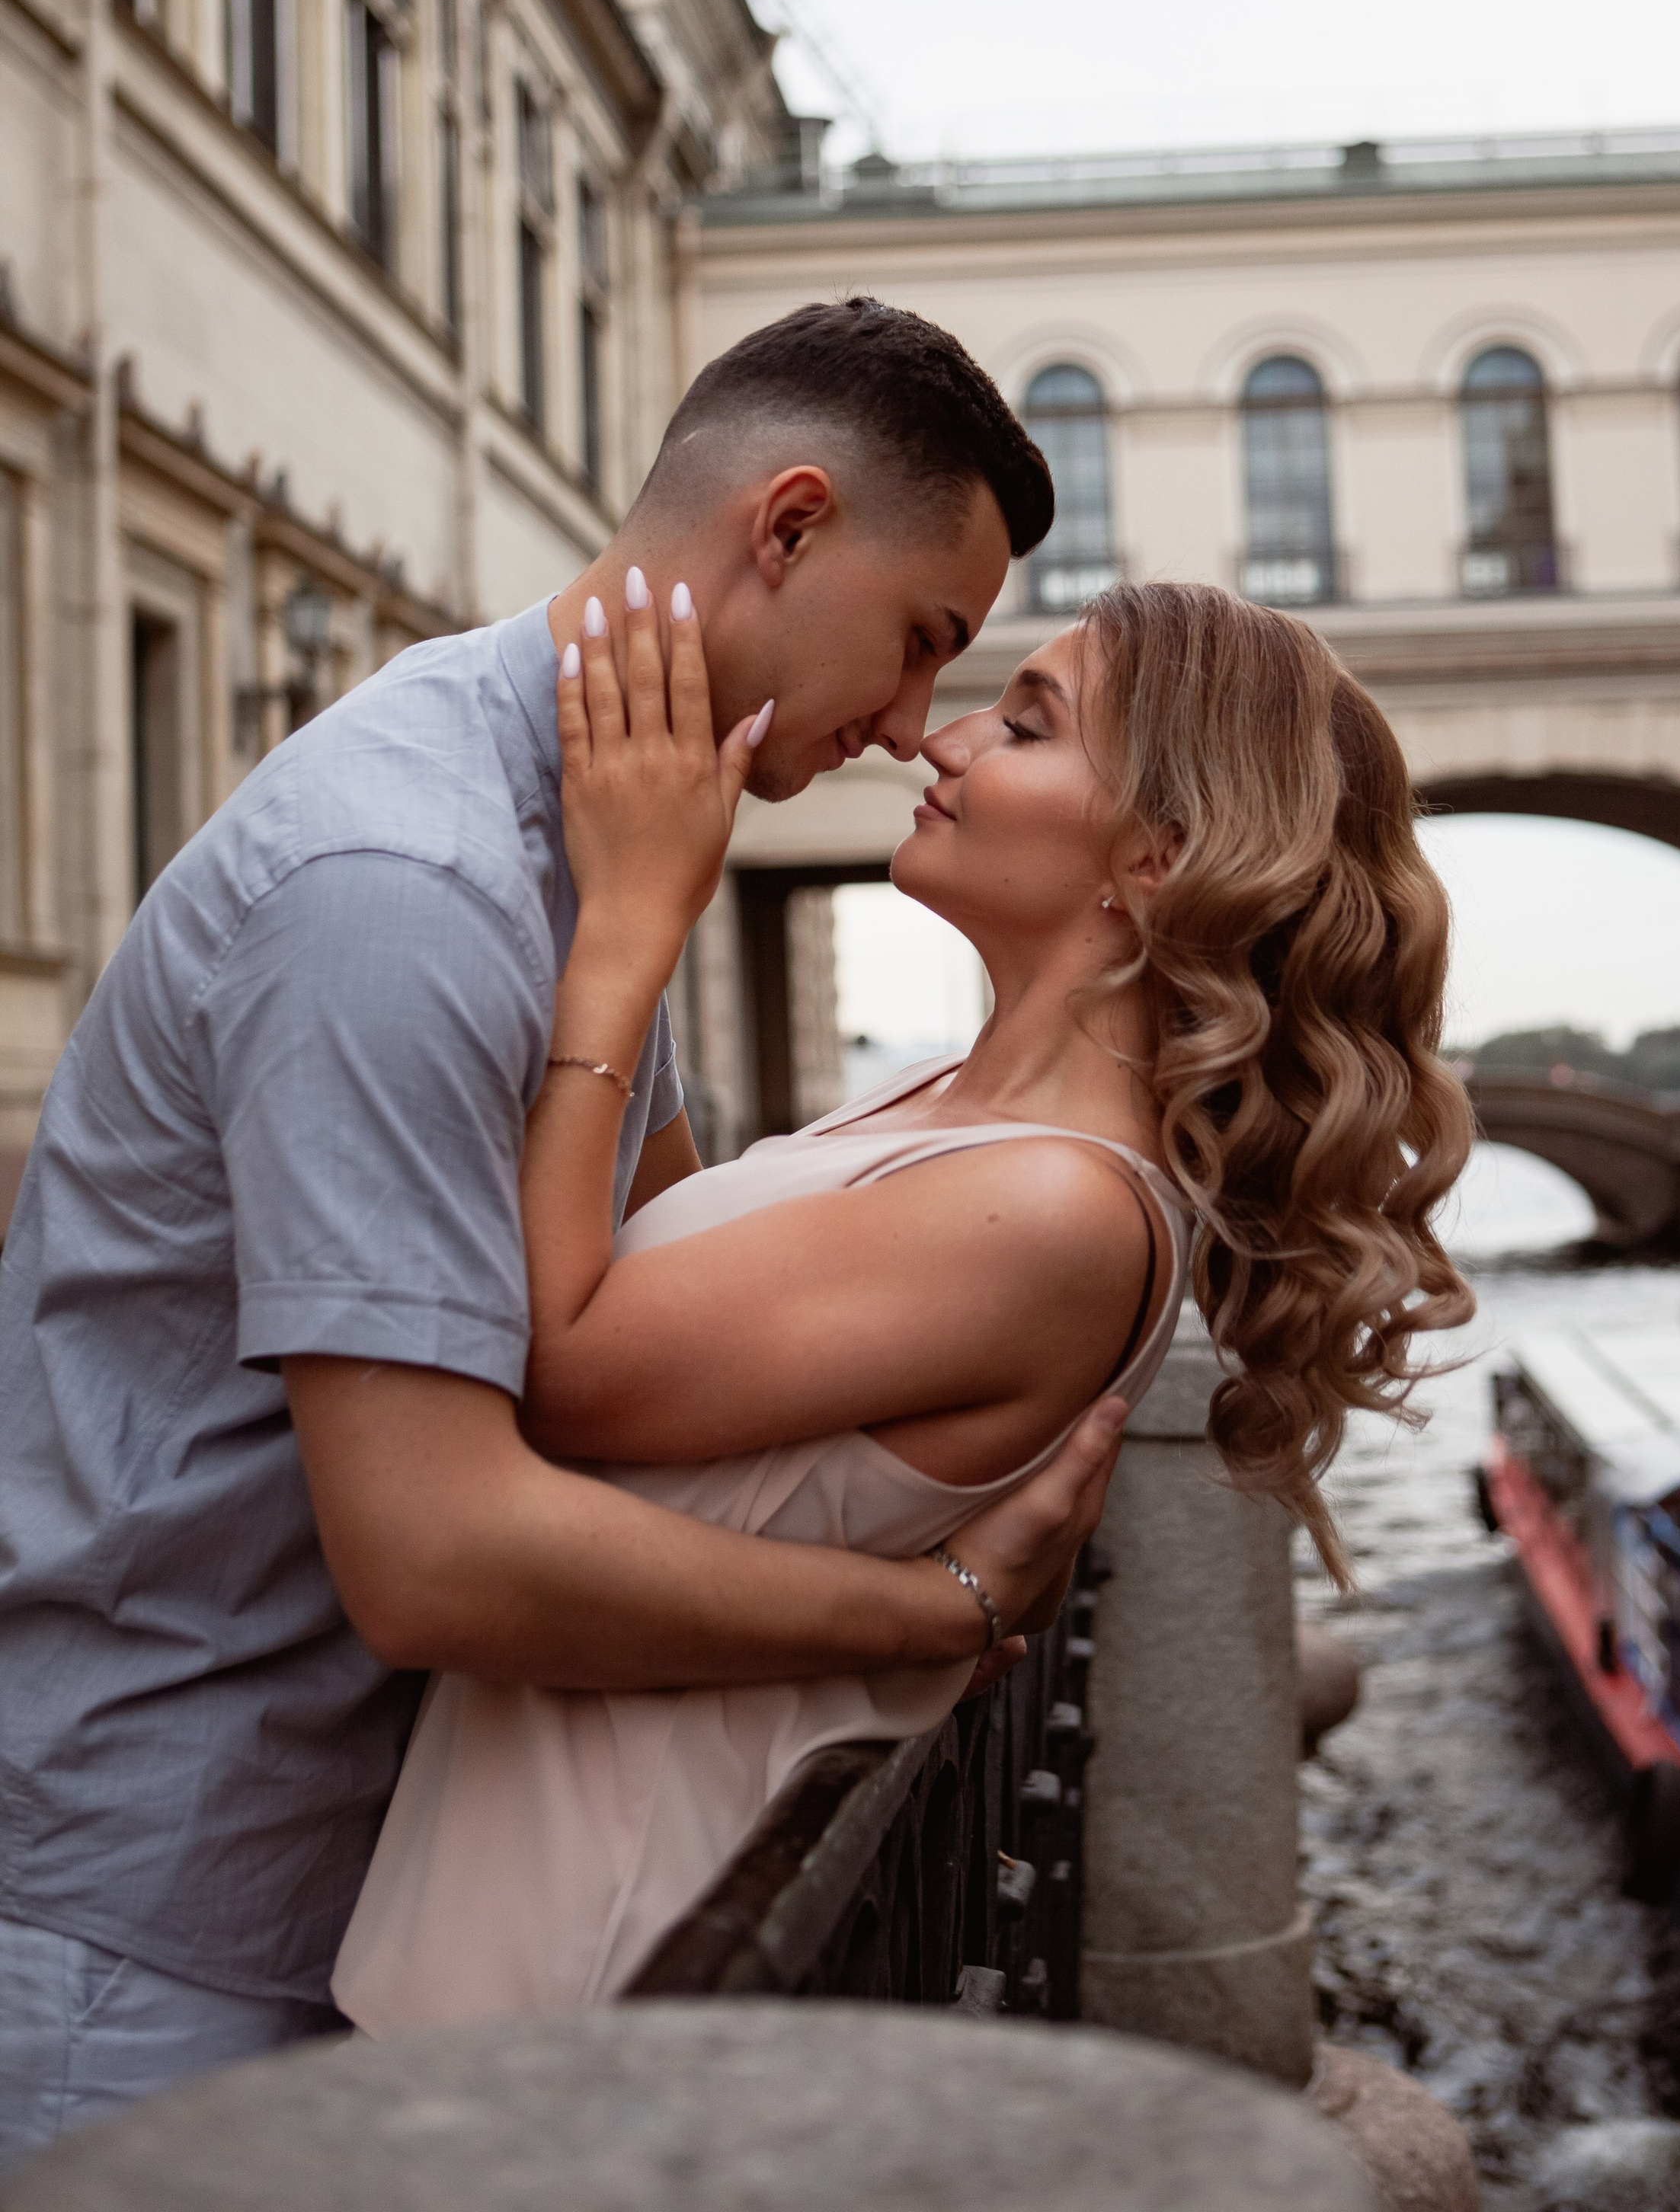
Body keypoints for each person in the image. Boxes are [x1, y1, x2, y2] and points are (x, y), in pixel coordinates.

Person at [0, 300, 1128, 2170]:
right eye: (925, 640)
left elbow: (650, 1297)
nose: (913, 727)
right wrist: (930, 1613)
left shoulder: (611, 835)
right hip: (164, 1921)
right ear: (785, 527)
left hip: (326, 1875)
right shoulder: (408, 890)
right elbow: (436, 1556)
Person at [334, 574, 1477, 2028]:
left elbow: (560, 1361)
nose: (944, 742)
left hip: (609, 1939)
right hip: (555, 1882)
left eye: (1028, 722)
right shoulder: (955, 1118)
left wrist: (635, 920)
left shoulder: (1051, 1207)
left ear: (1159, 856)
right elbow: (649, 1235)